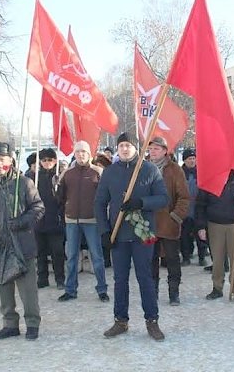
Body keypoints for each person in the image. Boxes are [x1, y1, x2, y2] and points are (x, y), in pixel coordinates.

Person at [95, 132, 169, 341]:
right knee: (120, 279)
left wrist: (141, 202)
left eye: (128, 145)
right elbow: (99, 203)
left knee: (145, 277)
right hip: (118, 235)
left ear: (136, 148)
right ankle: (121, 320)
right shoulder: (109, 172)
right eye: (121, 146)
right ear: (117, 149)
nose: (125, 149)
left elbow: (163, 198)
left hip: (143, 235)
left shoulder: (148, 169)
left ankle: (152, 321)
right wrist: (104, 231)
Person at [0, 142, 45, 341]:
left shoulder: (24, 183)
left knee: (28, 290)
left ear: (10, 160)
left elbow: (38, 207)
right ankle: (10, 324)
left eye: (2, 159)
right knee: (4, 290)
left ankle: (32, 323)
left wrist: (22, 221)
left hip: (22, 243)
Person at [57, 141, 109, 302]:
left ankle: (102, 289)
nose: (81, 154)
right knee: (71, 257)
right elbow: (60, 197)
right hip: (72, 220)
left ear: (89, 154)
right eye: (78, 151)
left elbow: (105, 197)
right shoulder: (67, 173)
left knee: (97, 256)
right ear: (74, 153)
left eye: (84, 152)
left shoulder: (98, 172)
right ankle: (70, 290)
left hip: (92, 220)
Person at [196, 170, 234, 304]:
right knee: (217, 259)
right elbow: (200, 205)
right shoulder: (210, 178)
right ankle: (217, 287)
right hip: (214, 224)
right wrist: (201, 226)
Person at [147, 137, 189, 306]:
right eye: (151, 149)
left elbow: (184, 197)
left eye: (157, 149)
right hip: (148, 225)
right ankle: (153, 292)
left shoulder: (175, 170)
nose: (153, 152)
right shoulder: (143, 168)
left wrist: (175, 217)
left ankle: (174, 293)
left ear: (165, 151)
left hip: (168, 223)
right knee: (150, 262)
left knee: (172, 260)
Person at [35, 148, 65, 289]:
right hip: (39, 220)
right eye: (44, 160)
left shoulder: (60, 177)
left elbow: (64, 199)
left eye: (50, 160)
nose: (47, 163)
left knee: (57, 252)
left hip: (55, 220)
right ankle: (42, 278)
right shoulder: (34, 177)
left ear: (55, 161)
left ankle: (60, 278)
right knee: (40, 252)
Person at [179, 148, 208, 267]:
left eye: (193, 158)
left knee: (201, 234)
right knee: (184, 236)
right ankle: (186, 257)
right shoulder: (180, 173)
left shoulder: (201, 172)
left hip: (198, 208)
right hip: (185, 209)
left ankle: (202, 257)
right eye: (189, 159)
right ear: (184, 160)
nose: (192, 161)